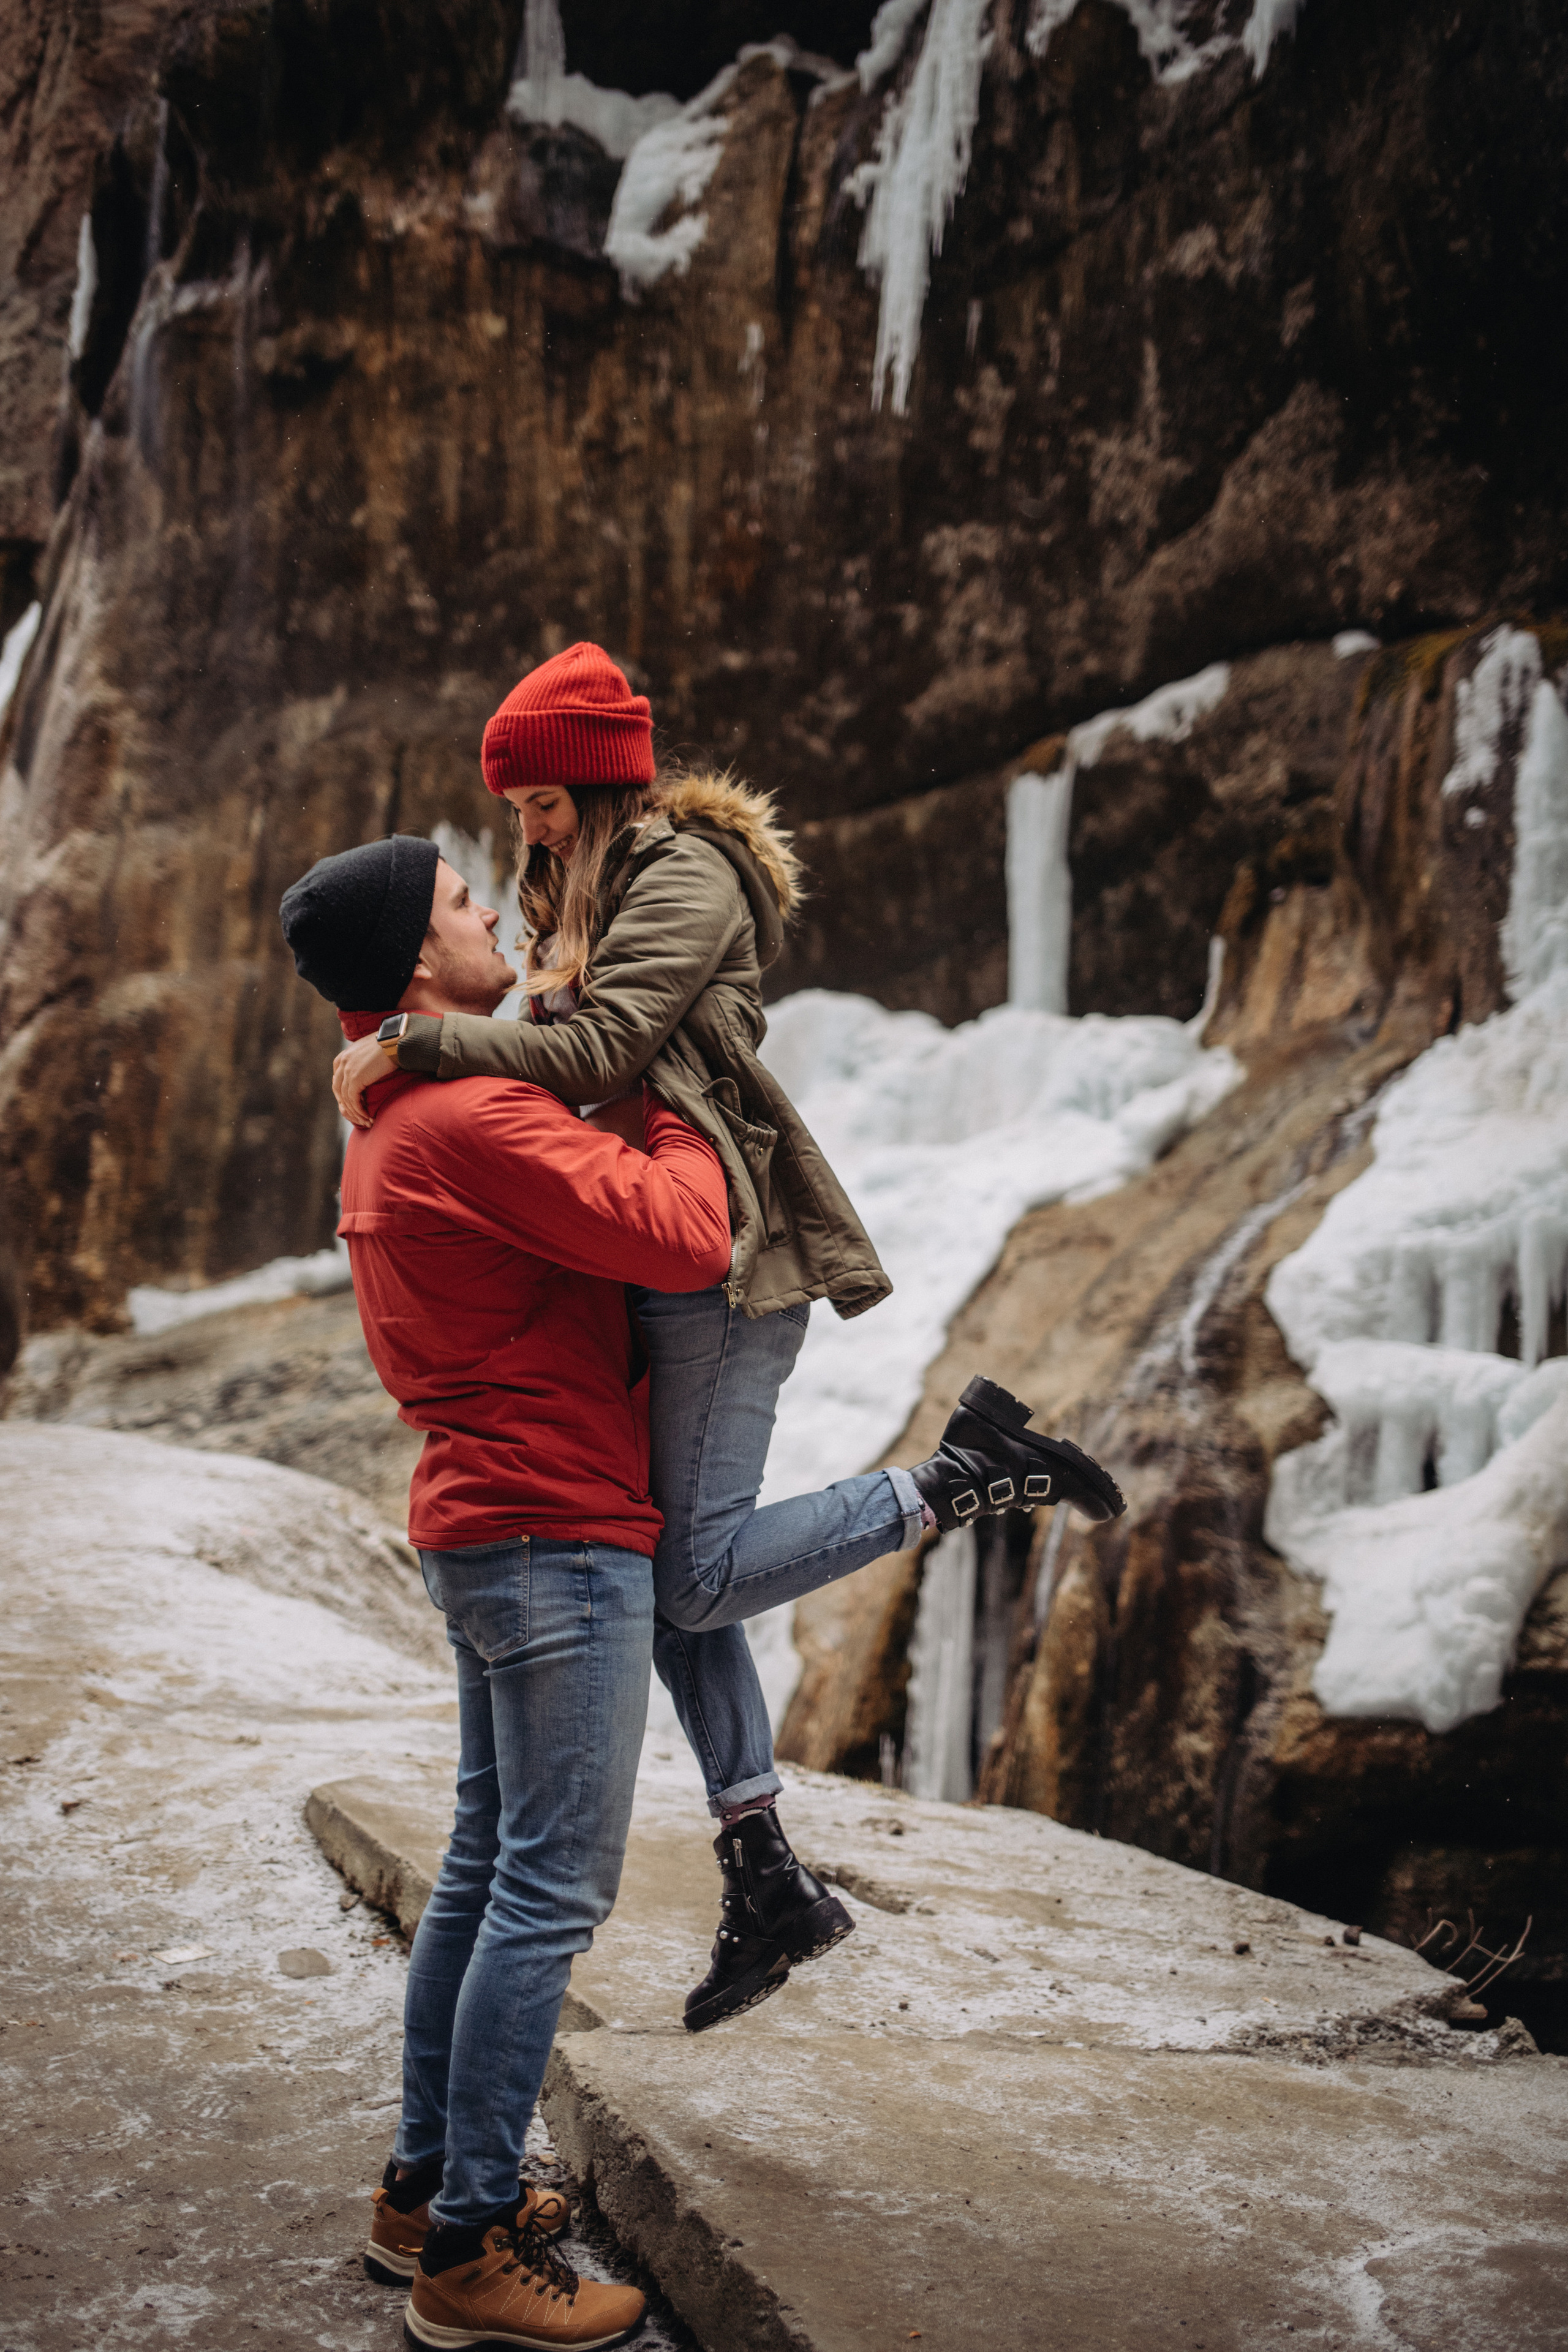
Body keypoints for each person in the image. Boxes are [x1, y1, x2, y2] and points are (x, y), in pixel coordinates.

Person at [279, 830, 1121, 2347]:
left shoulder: (410, 1099)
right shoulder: (466, 1113)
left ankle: (424, 2193)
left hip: (493, 1525)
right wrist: (678, 1097)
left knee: (484, 1872)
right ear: (416, 964)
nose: (496, 912)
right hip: (554, 1539)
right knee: (545, 1891)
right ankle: (469, 2245)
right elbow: (690, 1227)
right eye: (471, 903)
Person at [326, 643, 1126, 2036]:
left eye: (530, 801)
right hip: (652, 1261)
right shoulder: (587, 886)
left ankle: (954, 1477)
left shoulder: (683, 872)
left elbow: (595, 1055)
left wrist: (422, 1043)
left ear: (585, 776)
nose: (519, 833)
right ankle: (762, 1870)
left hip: (723, 1259)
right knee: (650, 1552)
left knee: (688, 1585)